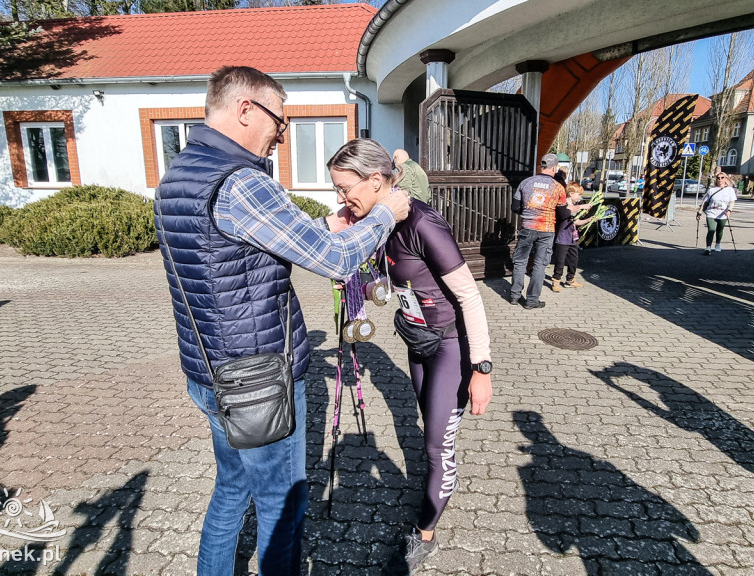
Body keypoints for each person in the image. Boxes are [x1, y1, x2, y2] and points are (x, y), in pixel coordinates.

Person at [153, 66, 410, 576]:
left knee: (231, 488)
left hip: (208, 372)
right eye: (280, 121)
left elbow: (236, 246)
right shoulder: (242, 181)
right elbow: (336, 262)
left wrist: (321, 226)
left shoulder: (180, 172)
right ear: (246, 109)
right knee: (282, 503)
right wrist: (385, 216)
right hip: (259, 379)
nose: (280, 134)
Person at [326, 139, 493, 572]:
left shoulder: (422, 223)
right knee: (427, 430)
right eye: (337, 190)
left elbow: (470, 298)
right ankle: (438, 469)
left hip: (450, 348)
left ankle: (425, 535)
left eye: (346, 189)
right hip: (417, 344)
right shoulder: (380, 222)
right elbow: (386, 280)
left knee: (438, 447)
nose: (342, 198)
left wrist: (482, 369)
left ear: (377, 180)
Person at [510, 153, 567, 309]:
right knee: (539, 265)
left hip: (527, 228)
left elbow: (515, 207)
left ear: (541, 166)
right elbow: (563, 214)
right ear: (554, 168)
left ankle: (514, 296)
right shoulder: (558, 187)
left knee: (520, 262)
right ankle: (532, 300)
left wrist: (529, 212)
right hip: (546, 230)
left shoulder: (526, 182)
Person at [549, 182, 590, 292]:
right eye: (578, 194)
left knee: (573, 259)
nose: (580, 197)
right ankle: (556, 280)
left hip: (572, 238)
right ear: (571, 193)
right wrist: (581, 206)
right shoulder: (565, 205)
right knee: (560, 260)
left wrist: (588, 220)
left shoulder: (574, 207)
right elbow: (567, 212)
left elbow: (575, 222)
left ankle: (570, 279)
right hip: (563, 237)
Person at [696, 172, 737, 255]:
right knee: (711, 229)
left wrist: (729, 210)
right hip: (711, 212)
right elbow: (704, 202)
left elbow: (732, 202)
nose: (720, 180)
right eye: (718, 178)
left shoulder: (729, 190)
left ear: (725, 179)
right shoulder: (711, 190)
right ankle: (708, 247)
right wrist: (699, 213)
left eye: (722, 178)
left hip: (723, 213)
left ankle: (718, 244)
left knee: (719, 230)